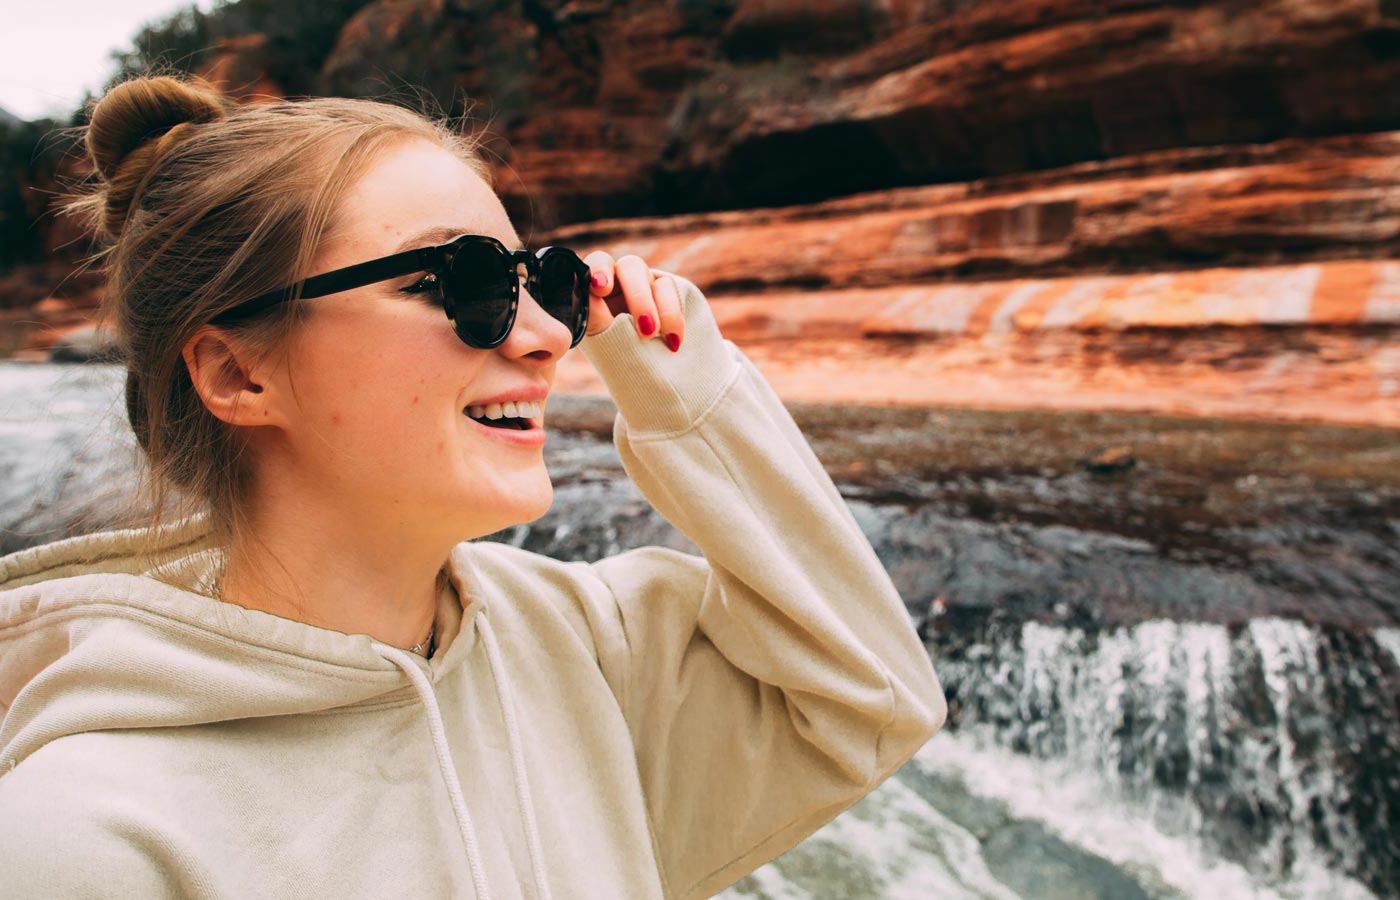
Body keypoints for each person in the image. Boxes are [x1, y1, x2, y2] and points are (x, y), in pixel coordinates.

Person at [0, 75, 947, 899]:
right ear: (238, 374)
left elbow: (872, 701)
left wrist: (684, 387)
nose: (546, 336)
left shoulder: (589, 647)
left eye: (544, 282)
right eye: (458, 280)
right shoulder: (84, 840)